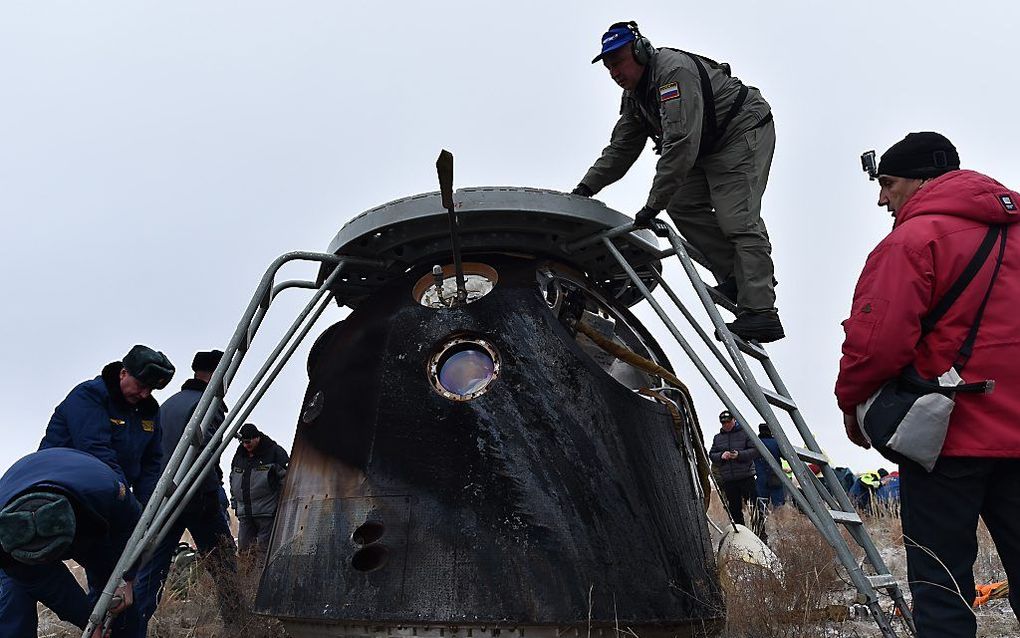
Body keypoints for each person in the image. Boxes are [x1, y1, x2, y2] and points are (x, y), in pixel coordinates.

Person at [836, 131, 1020, 637]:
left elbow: (878, 343)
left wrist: (851, 404)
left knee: (941, 592)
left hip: (946, 443)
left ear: (920, 181)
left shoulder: (912, 242)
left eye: (888, 183)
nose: (881, 197)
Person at [571, 21, 782, 343]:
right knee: (682, 205)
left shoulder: (673, 75)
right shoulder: (635, 97)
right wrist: (585, 190)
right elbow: (622, 148)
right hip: (704, 145)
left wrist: (652, 205)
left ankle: (762, 312)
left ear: (641, 52)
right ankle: (737, 276)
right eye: (609, 66)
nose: (614, 71)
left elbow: (680, 143)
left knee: (736, 218)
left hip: (740, 132)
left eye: (619, 61)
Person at [133, 350, 244, 633]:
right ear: (220, 373)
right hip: (196, 495)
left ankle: (132, 626)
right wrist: (210, 494)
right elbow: (203, 456)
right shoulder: (209, 404)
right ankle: (238, 625)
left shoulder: (168, 404)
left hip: (163, 496)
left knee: (153, 570)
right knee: (223, 563)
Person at [0, 448, 142, 637]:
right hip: (18, 553)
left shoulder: (105, 490)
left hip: (88, 513)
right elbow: (50, 586)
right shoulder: (4, 543)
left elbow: (130, 527)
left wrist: (126, 578)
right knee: (15, 597)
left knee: (116, 594)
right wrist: (87, 620)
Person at [40, 345, 175, 505]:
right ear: (123, 373)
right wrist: (128, 502)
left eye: (151, 389)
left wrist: (147, 508)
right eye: (141, 386)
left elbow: (151, 462)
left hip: (109, 495)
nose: (145, 394)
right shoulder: (89, 396)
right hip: (62, 490)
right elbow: (96, 450)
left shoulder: (149, 411)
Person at [229, 423, 289, 559]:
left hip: (267, 513)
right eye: (243, 442)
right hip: (245, 514)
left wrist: (281, 506)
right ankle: (246, 579)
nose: (246, 445)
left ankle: (261, 579)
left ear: (257, 438)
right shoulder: (239, 455)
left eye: (249, 442)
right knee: (244, 551)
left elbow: (287, 480)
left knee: (264, 552)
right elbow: (233, 480)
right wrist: (235, 504)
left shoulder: (275, 452)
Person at [708, 411, 760, 530]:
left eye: (728, 421)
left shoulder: (745, 433)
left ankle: (760, 532)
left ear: (734, 420)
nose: (726, 424)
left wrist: (739, 455)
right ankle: (741, 532)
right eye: (723, 422)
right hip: (729, 480)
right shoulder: (717, 438)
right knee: (734, 509)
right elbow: (712, 454)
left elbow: (755, 451)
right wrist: (721, 455)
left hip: (746, 477)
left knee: (754, 506)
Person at [753, 423, 785, 509]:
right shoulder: (776, 442)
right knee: (778, 504)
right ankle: (780, 521)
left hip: (760, 476)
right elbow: (785, 456)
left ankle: (762, 520)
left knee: (761, 503)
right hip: (775, 475)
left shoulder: (755, 443)